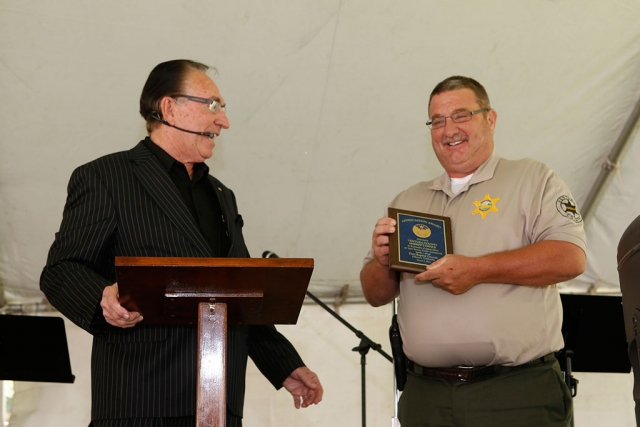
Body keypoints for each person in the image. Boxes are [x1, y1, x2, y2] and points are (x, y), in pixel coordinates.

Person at [40, 59, 323, 427]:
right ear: (169, 107)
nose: (224, 121)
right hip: (139, 401)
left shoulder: (222, 196)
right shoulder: (106, 177)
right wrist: (101, 296)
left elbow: (238, 293)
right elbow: (61, 271)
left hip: (218, 402)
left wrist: (284, 365)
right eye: (213, 105)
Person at [360, 76, 586, 427]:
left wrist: (477, 270)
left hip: (515, 394)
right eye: (437, 120)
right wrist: (381, 261)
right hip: (425, 397)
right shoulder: (407, 202)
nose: (449, 129)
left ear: (490, 118)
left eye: (461, 115)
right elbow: (375, 294)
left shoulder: (532, 178)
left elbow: (569, 256)